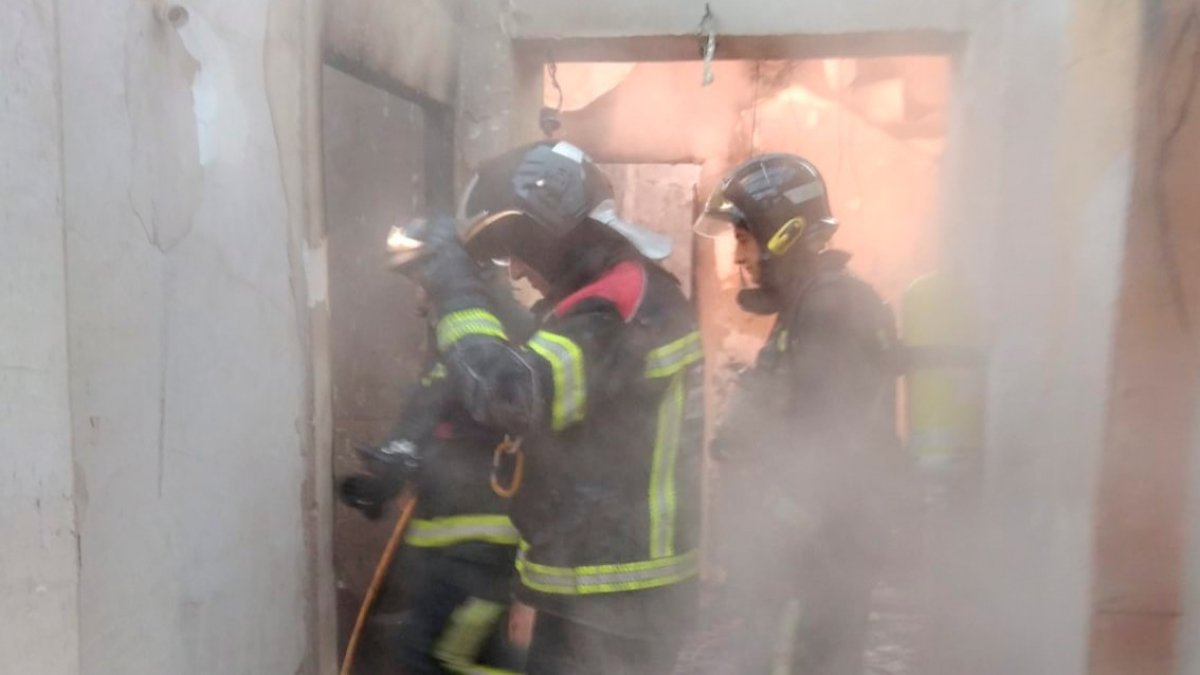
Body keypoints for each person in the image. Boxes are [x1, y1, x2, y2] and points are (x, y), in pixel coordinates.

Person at [394, 140, 705, 675]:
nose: (514, 270)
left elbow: (510, 397)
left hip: (616, 602)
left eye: (516, 247)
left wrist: (454, 283)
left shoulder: (617, 302)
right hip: (604, 594)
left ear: (548, 229)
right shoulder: (618, 295)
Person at [688, 154, 902, 674]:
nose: (740, 257)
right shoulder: (814, 305)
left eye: (743, 238)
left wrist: (775, 540)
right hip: (810, 556)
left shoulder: (832, 309)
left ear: (780, 233)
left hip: (814, 560)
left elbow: (830, 444)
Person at [339, 282, 533, 675]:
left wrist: (396, 467)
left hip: (479, 557)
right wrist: (384, 482)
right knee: (450, 657)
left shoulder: (476, 362)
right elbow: (420, 432)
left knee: (429, 658)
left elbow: (429, 426)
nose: (418, 297)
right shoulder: (468, 360)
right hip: (461, 557)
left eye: (423, 284)